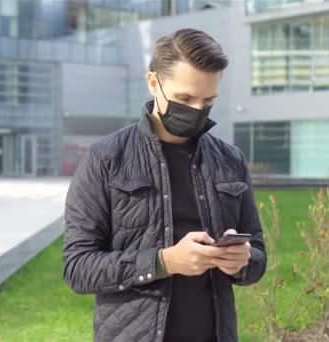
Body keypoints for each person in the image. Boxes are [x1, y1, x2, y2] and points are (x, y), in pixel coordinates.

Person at [62, 28, 267, 342]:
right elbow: (78, 268)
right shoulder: (106, 159)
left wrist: (242, 261)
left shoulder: (230, 160)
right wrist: (164, 262)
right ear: (153, 83)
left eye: (208, 101)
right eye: (185, 99)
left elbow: (258, 258)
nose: (197, 111)